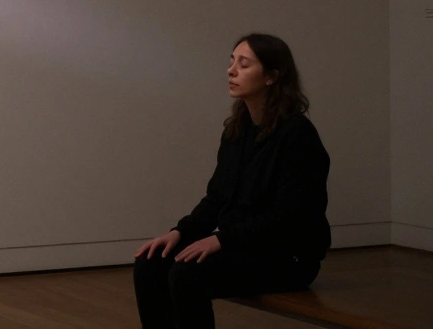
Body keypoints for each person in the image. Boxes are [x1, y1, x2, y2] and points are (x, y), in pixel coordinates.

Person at [132, 33, 331, 329]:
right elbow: (217, 198)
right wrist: (181, 233)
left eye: (244, 64)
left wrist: (222, 239)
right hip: (243, 244)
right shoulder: (237, 130)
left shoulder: (297, 135)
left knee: (187, 273)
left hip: (287, 257)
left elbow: (288, 216)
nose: (231, 70)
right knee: (151, 262)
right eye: (232, 61)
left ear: (271, 77)